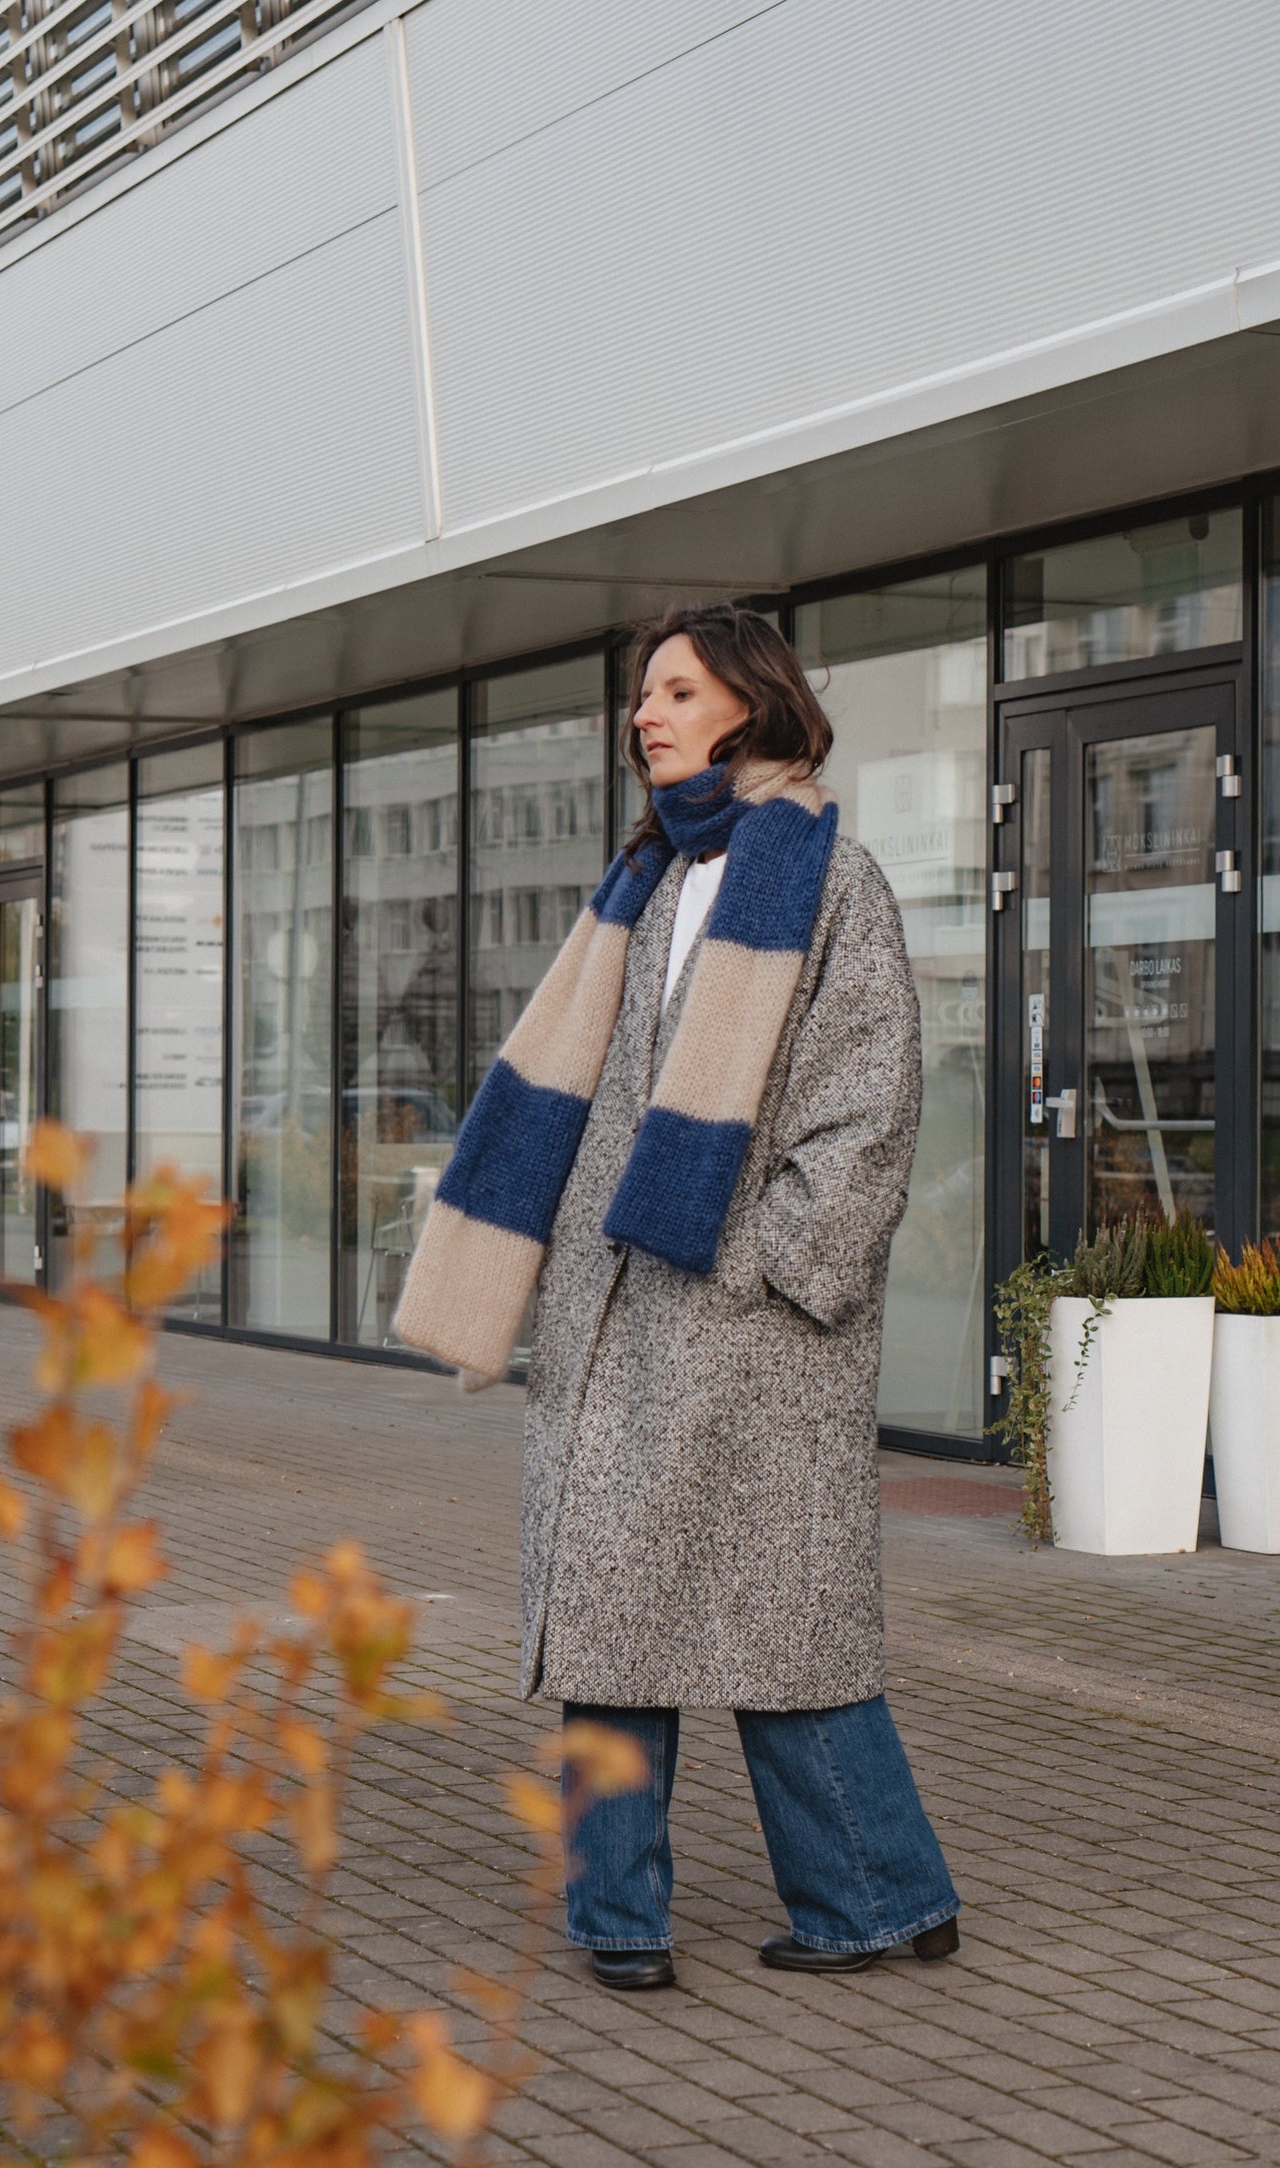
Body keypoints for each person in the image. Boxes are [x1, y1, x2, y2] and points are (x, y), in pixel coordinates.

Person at [396, 603, 959, 1989]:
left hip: (755, 1332)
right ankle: (617, 1919)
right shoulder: (642, 881)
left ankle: (877, 1899)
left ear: (747, 708)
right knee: (610, 1610)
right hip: (616, 1315)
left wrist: (775, 1270)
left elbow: (867, 1113)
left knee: (785, 1634)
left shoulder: (833, 881)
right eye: (640, 695)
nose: (641, 714)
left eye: (671, 690)